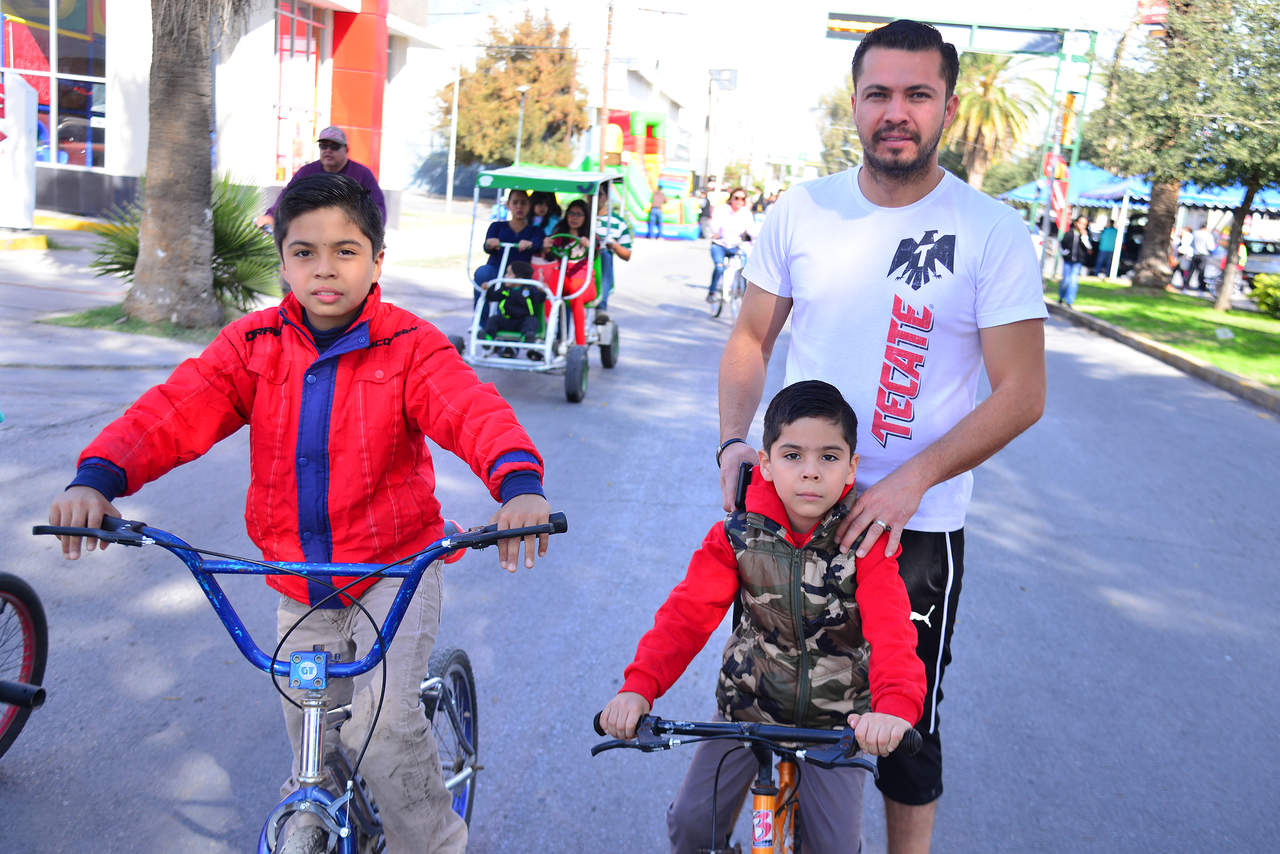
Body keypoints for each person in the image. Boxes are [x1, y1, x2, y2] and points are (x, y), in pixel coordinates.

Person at [48, 173, 553, 854]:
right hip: (298, 581)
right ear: (282, 259)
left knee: (381, 730)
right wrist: (98, 478)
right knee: (310, 735)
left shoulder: (409, 346)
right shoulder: (251, 348)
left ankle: (433, 843)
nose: (325, 269)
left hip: (396, 574)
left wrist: (517, 481)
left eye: (346, 251)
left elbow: (471, 411)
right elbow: (173, 412)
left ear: (377, 260)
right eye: (305, 251)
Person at [716, 20, 1046, 854]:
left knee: (905, 726)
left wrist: (909, 483)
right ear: (854, 103)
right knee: (764, 695)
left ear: (948, 106)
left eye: (917, 94)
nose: (895, 112)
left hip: (914, 529)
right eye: (879, 94)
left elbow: (1022, 394)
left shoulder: (991, 231)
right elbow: (752, 339)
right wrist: (733, 441)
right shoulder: (805, 208)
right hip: (790, 510)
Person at [599, 380, 925, 854]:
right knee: (691, 827)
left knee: (834, 848)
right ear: (766, 464)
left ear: (852, 468)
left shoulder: (864, 542)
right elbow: (686, 616)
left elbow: (893, 631)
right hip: (745, 709)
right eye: (793, 456)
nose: (810, 473)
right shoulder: (737, 536)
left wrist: (893, 710)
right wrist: (638, 687)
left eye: (829, 457)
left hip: (837, 726)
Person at [256, 126, 387, 228]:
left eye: (334, 146)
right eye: (323, 146)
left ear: (346, 150)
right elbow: (286, 197)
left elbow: (378, 209)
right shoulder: (306, 172)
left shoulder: (362, 174)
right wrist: (271, 216)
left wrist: (373, 233)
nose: (328, 150)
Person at [539, 198, 598, 346]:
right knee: (550, 286)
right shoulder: (559, 235)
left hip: (584, 282)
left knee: (576, 300)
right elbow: (550, 257)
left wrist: (589, 246)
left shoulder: (591, 237)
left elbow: (596, 253)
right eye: (571, 213)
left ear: (585, 217)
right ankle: (547, 331)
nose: (574, 218)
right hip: (563, 281)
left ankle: (580, 344)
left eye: (579, 214)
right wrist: (546, 247)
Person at [473, 188, 544, 307]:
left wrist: (530, 244)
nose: (519, 207)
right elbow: (487, 246)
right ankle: (481, 322)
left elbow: (538, 245)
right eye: (515, 202)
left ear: (529, 206)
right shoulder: (497, 226)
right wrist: (490, 244)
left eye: (523, 203)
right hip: (496, 268)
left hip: (521, 274)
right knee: (482, 273)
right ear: (508, 205)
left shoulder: (535, 231)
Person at [706, 186, 757, 303]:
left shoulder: (746, 213)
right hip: (720, 244)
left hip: (736, 245)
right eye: (737, 198)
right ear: (731, 199)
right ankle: (712, 292)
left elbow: (751, 230)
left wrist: (757, 239)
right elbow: (714, 225)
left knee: (744, 265)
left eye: (742, 199)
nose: (739, 201)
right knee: (719, 267)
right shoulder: (722, 209)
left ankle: (737, 288)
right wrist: (717, 232)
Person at [482, 259, 546, 349]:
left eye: (509, 274)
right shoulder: (505, 289)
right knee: (493, 319)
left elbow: (539, 299)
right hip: (507, 320)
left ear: (519, 278)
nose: (505, 276)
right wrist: (487, 289)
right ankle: (487, 337)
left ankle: (527, 338)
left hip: (523, 322)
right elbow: (494, 297)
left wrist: (541, 291)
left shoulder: (530, 289)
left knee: (532, 321)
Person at [592, 188, 633, 323]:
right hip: (577, 263)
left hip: (599, 265)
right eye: (591, 194)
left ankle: (601, 305)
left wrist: (613, 245)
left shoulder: (617, 223)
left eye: (600, 194)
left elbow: (627, 254)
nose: (595, 197)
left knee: (605, 255)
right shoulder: (579, 217)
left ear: (606, 197)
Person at [1058, 215, 1093, 307]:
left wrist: (1084, 237)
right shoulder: (1069, 233)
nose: (1082, 226)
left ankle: (1069, 301)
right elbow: (1062, 244)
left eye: (1084, 224)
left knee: (1073, 281)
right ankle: (1061, 297)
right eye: (1080, 223)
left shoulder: (1086, 235)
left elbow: (1089, 248)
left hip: (1078, 261)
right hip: (1068, 260)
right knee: (1066, 280)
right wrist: (1065, 253)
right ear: (1076, 223)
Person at [1188, 223, 1217, 290]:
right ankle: (1201, 286)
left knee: (1191, 270)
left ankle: (1186, 283)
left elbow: (1191, 243)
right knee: (1202, 271)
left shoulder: (1195, 233)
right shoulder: (1208, 235)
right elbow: (1211, 247)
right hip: (1204, 255)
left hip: (1195, 254)